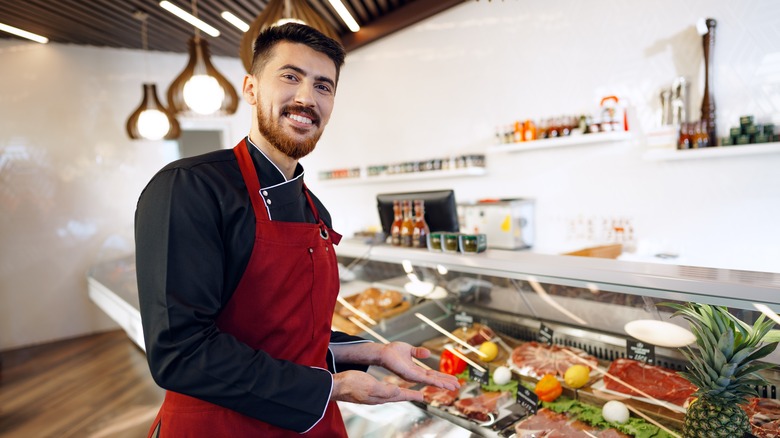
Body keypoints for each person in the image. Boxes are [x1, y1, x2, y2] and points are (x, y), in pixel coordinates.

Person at [135, 23, 459, 437]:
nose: (307, 98)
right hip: (219, 426)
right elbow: (181, 351)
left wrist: (374, 351)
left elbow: (290, 337)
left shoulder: (313, 207)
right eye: (290, 77)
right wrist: (335, 386)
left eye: (324, 86)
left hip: (309, 423)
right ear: (251, 89)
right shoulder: (190, 186)